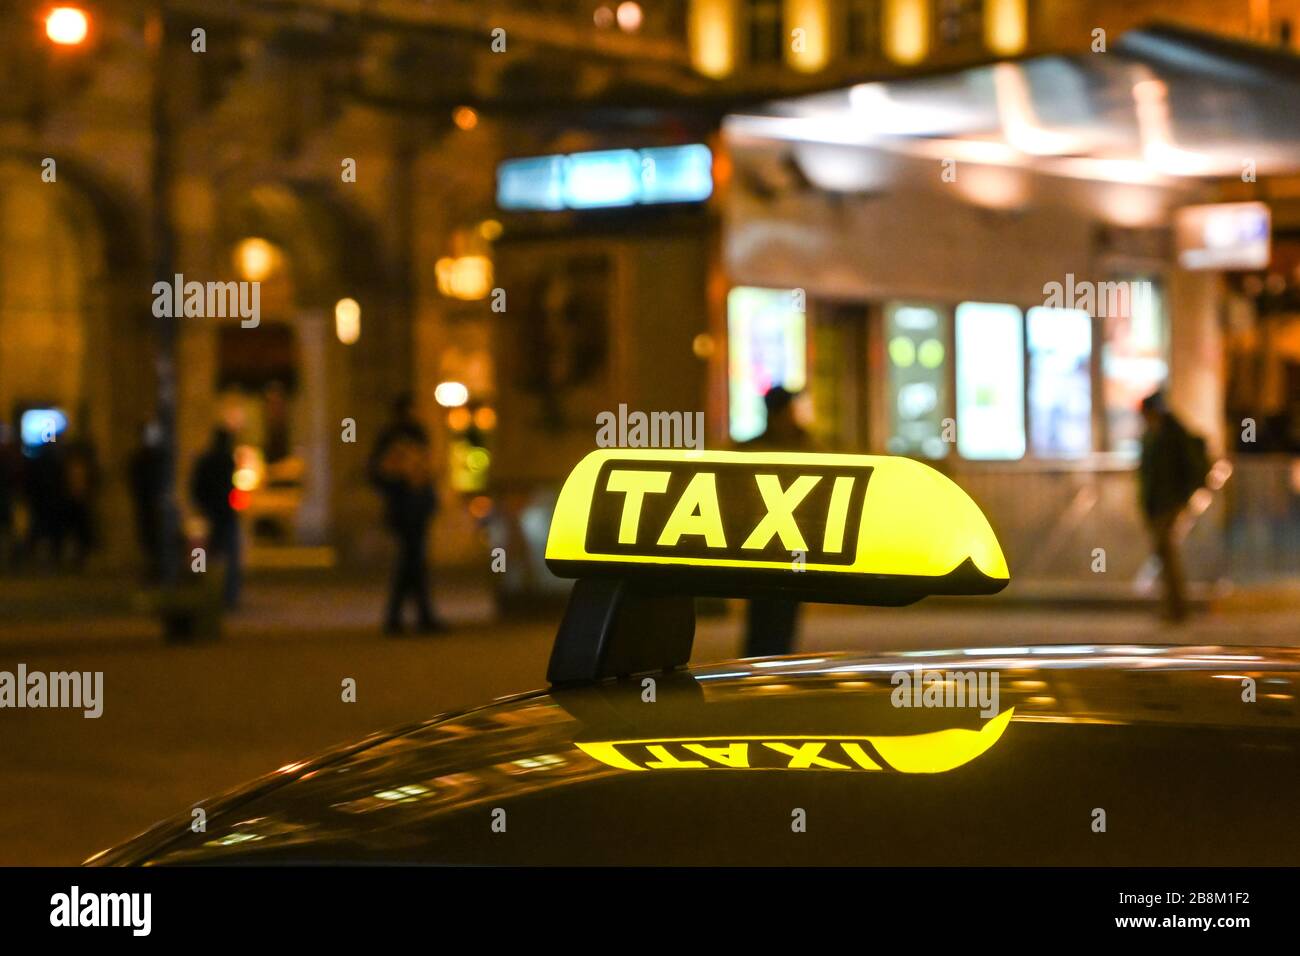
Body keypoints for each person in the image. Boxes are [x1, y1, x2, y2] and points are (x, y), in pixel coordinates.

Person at [740, 386, 814, 657]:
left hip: (786, 542)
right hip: (766, 543)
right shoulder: (793, 446)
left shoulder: (799, 444)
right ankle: (761, 661)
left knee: (783, 611)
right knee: (764, 610)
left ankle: (773, 658)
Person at [370, 393, 443, 635]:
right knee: (412, 562)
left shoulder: (415, 434)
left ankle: (402, 617)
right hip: (405, 507)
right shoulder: (395, 437)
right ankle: (415, 617)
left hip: (414, 506)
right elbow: (378, 473)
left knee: (412, 562)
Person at [1137, 391, 1204, 623]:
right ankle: (1173, 606)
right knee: (1163, 553)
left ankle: (1176, 607)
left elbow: (1188, 465)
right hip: (1156, 504)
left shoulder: (1171, 433)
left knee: (1165, 551)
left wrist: (1182, 497)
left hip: (1169, 502)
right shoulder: (1151, 434)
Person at [190, 425, 241, 609]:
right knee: (228, 556)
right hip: (224, 514)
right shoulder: (227, 461)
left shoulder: (205, 460)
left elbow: (196, 488)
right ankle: (228, 595)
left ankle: (201, 590)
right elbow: (230, 487)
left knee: (201, 555)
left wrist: (200, 507)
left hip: (208, 513)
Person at [128, 421, 167, 582]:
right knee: (150, 539)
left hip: (151, 505)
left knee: (153, 539)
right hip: (148, 505)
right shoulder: (145, 458)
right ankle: (154, 571)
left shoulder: (155, 459)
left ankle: (156, 571)